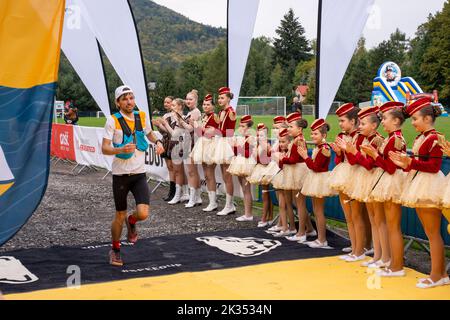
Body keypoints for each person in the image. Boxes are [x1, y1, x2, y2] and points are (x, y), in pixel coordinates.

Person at [102, 85, 164, 266]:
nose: (129, 101)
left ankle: (133, 220)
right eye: (125, 98)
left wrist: (158, 142)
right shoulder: (112, 121)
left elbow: (150, 134)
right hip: (121, 175)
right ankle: (115, 250)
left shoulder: (142, 116)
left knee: (143, 214)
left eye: (131, 98)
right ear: (118, 102)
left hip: (139, 174)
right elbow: (104, 148)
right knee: (119, 215)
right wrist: (119, 149)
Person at [389, 98, 449, 288]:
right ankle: (440, 274)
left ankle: (436, 275)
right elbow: (416, 163)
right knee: (429, 232)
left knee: (433, 234)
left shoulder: (434, 137)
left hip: (430, 184)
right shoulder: (420, 137)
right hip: (419, 182)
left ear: (427, 118)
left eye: (415, 118)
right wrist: (405, 164)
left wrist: (410, 163)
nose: (412, 122)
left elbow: (433, 166)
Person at [360, 101, 408, 277]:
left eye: (385, 118)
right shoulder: (391, 138)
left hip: (391, 180)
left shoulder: (395, 139)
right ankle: (387, 260)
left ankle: (395, 265)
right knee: (386, 224)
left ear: (396, 121)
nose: (383, 121)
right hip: (385, 179)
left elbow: (390, 167)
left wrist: (374, 155)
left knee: (392, 226)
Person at [339, 107, 390, 268]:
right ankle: (374, 254)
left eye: (363, 123)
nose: (360, 127)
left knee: (378, 220)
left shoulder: (377, 140)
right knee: (373, 219)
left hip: (374, 178)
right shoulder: (365, 139)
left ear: (374, 125)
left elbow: (370, 165)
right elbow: (356, 161)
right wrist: (347, 151)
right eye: (359, 123)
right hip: (366, 178)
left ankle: (379, 255)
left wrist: (354, 152)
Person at [330, 103, 365, 261]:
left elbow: (355, 160)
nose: (340, 124)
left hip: (355, 175)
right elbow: (339, 160)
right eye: (339, 121)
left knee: (356, 215)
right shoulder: (341, 136)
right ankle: (354, 245)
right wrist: (338, 153)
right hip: (343, 174)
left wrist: (347, 150)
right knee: (349, 216)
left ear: (353, 121)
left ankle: (359, 250)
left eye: (342, 120)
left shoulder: (360, 137)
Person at [298, 119, 337, 248]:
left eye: (315, 134)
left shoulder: (325, 148)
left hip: (320, 179)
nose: (312, 136)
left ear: (324, 135)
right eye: (312, 134)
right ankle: (320, 238)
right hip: (315, 178)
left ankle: (322, 240)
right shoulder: (319, 147)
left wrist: (305, 157)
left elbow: (316, 167)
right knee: (316, 209)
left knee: (319, 211)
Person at [281, 112, 315, 241]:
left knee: (300, 203)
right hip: (296, 170)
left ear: (299, 129)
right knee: (298, 202)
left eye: (291, 126)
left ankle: (301, 233)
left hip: (299, 171)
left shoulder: (299, 140)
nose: (288, 129)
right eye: (288, 126)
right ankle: (310, 228)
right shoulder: (296, 139)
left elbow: (294, 159)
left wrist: (283, 159)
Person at [191, 94, 220, 211]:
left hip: (211, 144)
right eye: (204, 104)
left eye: (208, 104)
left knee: (209, 173)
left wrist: (198, 126)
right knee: (206, 174)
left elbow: (213, 132)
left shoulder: (215, 116)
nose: (205, 106)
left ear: (213, 106)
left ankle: (213, 202)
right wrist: (196, 126)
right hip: (202, 143)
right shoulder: (204, 116)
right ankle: (211, 201)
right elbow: (199, 133)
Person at [159, 98, 190, 205]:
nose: (171, 107)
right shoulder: (173, 118)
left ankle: (178, 195)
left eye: (173, 105)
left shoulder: (182, 118)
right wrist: (160, 125)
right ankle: (179, 194)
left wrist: (165, 125)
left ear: (180, 107)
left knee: (178, 171)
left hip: (179, 146)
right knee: (177, 171)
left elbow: (176, 135)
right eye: (171, 105)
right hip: (173, 145)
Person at [213, 87, 237, 216]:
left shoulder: (231, 112)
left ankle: (229, 205)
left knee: (227, 176)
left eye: (222, 98)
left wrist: (214, 131)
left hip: (227, 142)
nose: (219, 100)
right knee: (224, 174)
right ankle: (229, 204)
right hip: (222, 142)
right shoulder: (222, 111)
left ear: (228, 98)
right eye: (219, 98)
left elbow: (230, 132)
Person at [227, 115, 256, 221]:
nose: (240, 128)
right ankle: (246, 213)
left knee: (246, 189)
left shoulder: (251, 138)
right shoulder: (240, 137)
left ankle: (249, 214)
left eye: (243, 126)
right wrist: (233, 146)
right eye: (240, 126)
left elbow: (248, 154)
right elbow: (235, 152)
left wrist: (237, 147)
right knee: (243, 189)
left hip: (246, 163)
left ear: (248, 128)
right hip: (239, 161)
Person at [177, 90, 202, 208]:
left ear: (196, 100)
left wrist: (181, 120)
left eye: (190, 99)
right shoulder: (190, 112)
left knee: (191, 171)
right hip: (189, 142)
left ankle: (193, 198)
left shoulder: (196, 112)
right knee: (192, 171)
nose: (188, 101)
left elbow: (190, 129)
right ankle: (197, 196)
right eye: (187, 99)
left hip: (193, 143)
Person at [247, 123, 274, 227]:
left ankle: (264, 218)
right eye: (258, 135)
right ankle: (269, 217)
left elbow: (266, 161)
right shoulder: (258, 145)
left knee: (266, 195)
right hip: (260, 169)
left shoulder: (266, 145)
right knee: (266, 195)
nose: (259, 137)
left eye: (262, 135)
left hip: (266, 170)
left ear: (267, 136)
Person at [152, 96, 176, 201]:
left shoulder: (174, 115)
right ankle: (171, 191)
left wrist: (161, 125)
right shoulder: (166, 115)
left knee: (174, 168)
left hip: (173, 143)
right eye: (164, 102)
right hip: (166, 142)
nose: (166, 104)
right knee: (170, 168)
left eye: (168, 102)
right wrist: (158, 126)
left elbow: (172, 131)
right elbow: (164, 132)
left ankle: (176, 192)